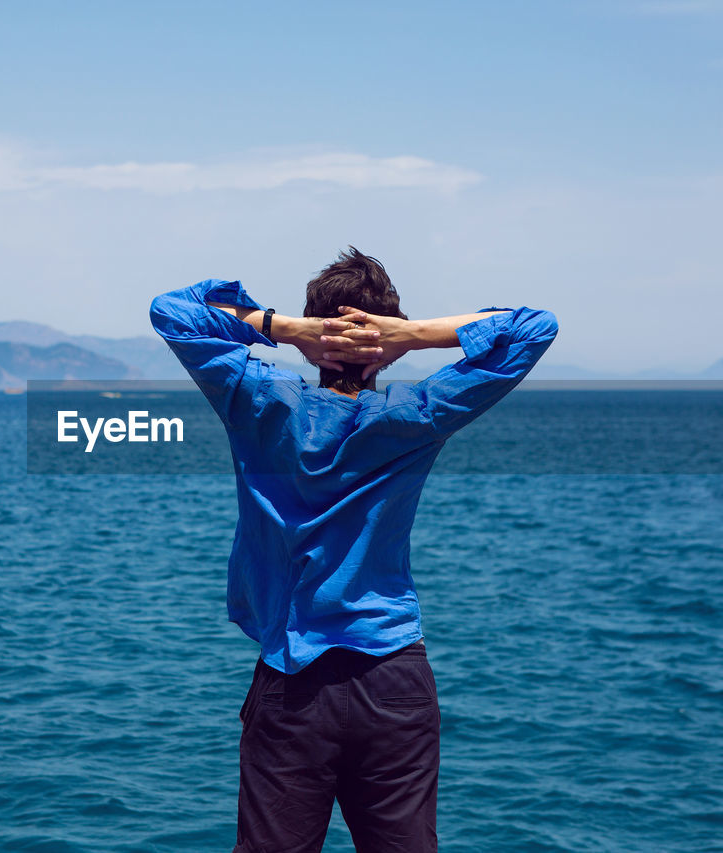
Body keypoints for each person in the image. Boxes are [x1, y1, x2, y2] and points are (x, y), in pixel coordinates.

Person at [149, 247, 558, 852]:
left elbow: (174, 311)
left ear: (316, 336)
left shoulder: (257, 400)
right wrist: (412, 337)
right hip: (392, 676)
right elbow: (532, 328)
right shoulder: (417, 414)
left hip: (294, 678)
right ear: (384, 341)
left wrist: (287, 330)